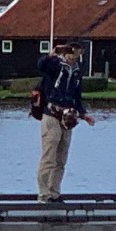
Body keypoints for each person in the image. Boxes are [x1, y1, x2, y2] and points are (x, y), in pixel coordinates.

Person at [32, 37, 90, 201]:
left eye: (77, 50)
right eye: (71, 50)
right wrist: (51, 55)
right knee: (49, 157)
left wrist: (83, 114)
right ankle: (44, 193)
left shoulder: (77, 71)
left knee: (61, 159)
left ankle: (54, 192)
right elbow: (41, 66)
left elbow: (77, 95)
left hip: (67, 117)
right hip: (51, 114)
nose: (74, 54)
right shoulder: (56, 65)